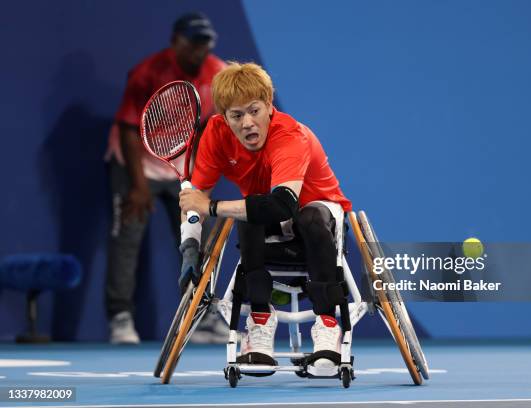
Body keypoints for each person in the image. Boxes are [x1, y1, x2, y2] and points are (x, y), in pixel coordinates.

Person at [178, 62, 352, 367]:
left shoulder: (290, 136)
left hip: (319, 214)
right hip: (267, 216)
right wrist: (189, 246)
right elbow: (195, 202)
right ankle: (259, 320)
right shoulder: (216, 135)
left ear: (269, 106)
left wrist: (214, 208)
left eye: (254, 110)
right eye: (236, 115)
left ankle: (327, 324)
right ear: (224, 118)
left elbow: (282, 205)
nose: (247, 123)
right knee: (250, 212)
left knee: (304, 215)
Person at [104, 12, 225, 344]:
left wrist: (198, 177)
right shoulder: (147, 73)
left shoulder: (218, 74)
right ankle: (120, 318)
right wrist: (139, 186)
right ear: (176, 42)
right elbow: (129, 129)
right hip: (135, 163)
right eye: (193, 43)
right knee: (127, 239)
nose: (200, 51)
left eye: (205, 43)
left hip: (181, 165)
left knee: (196, 237)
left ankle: (201, 316)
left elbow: (207, 130)